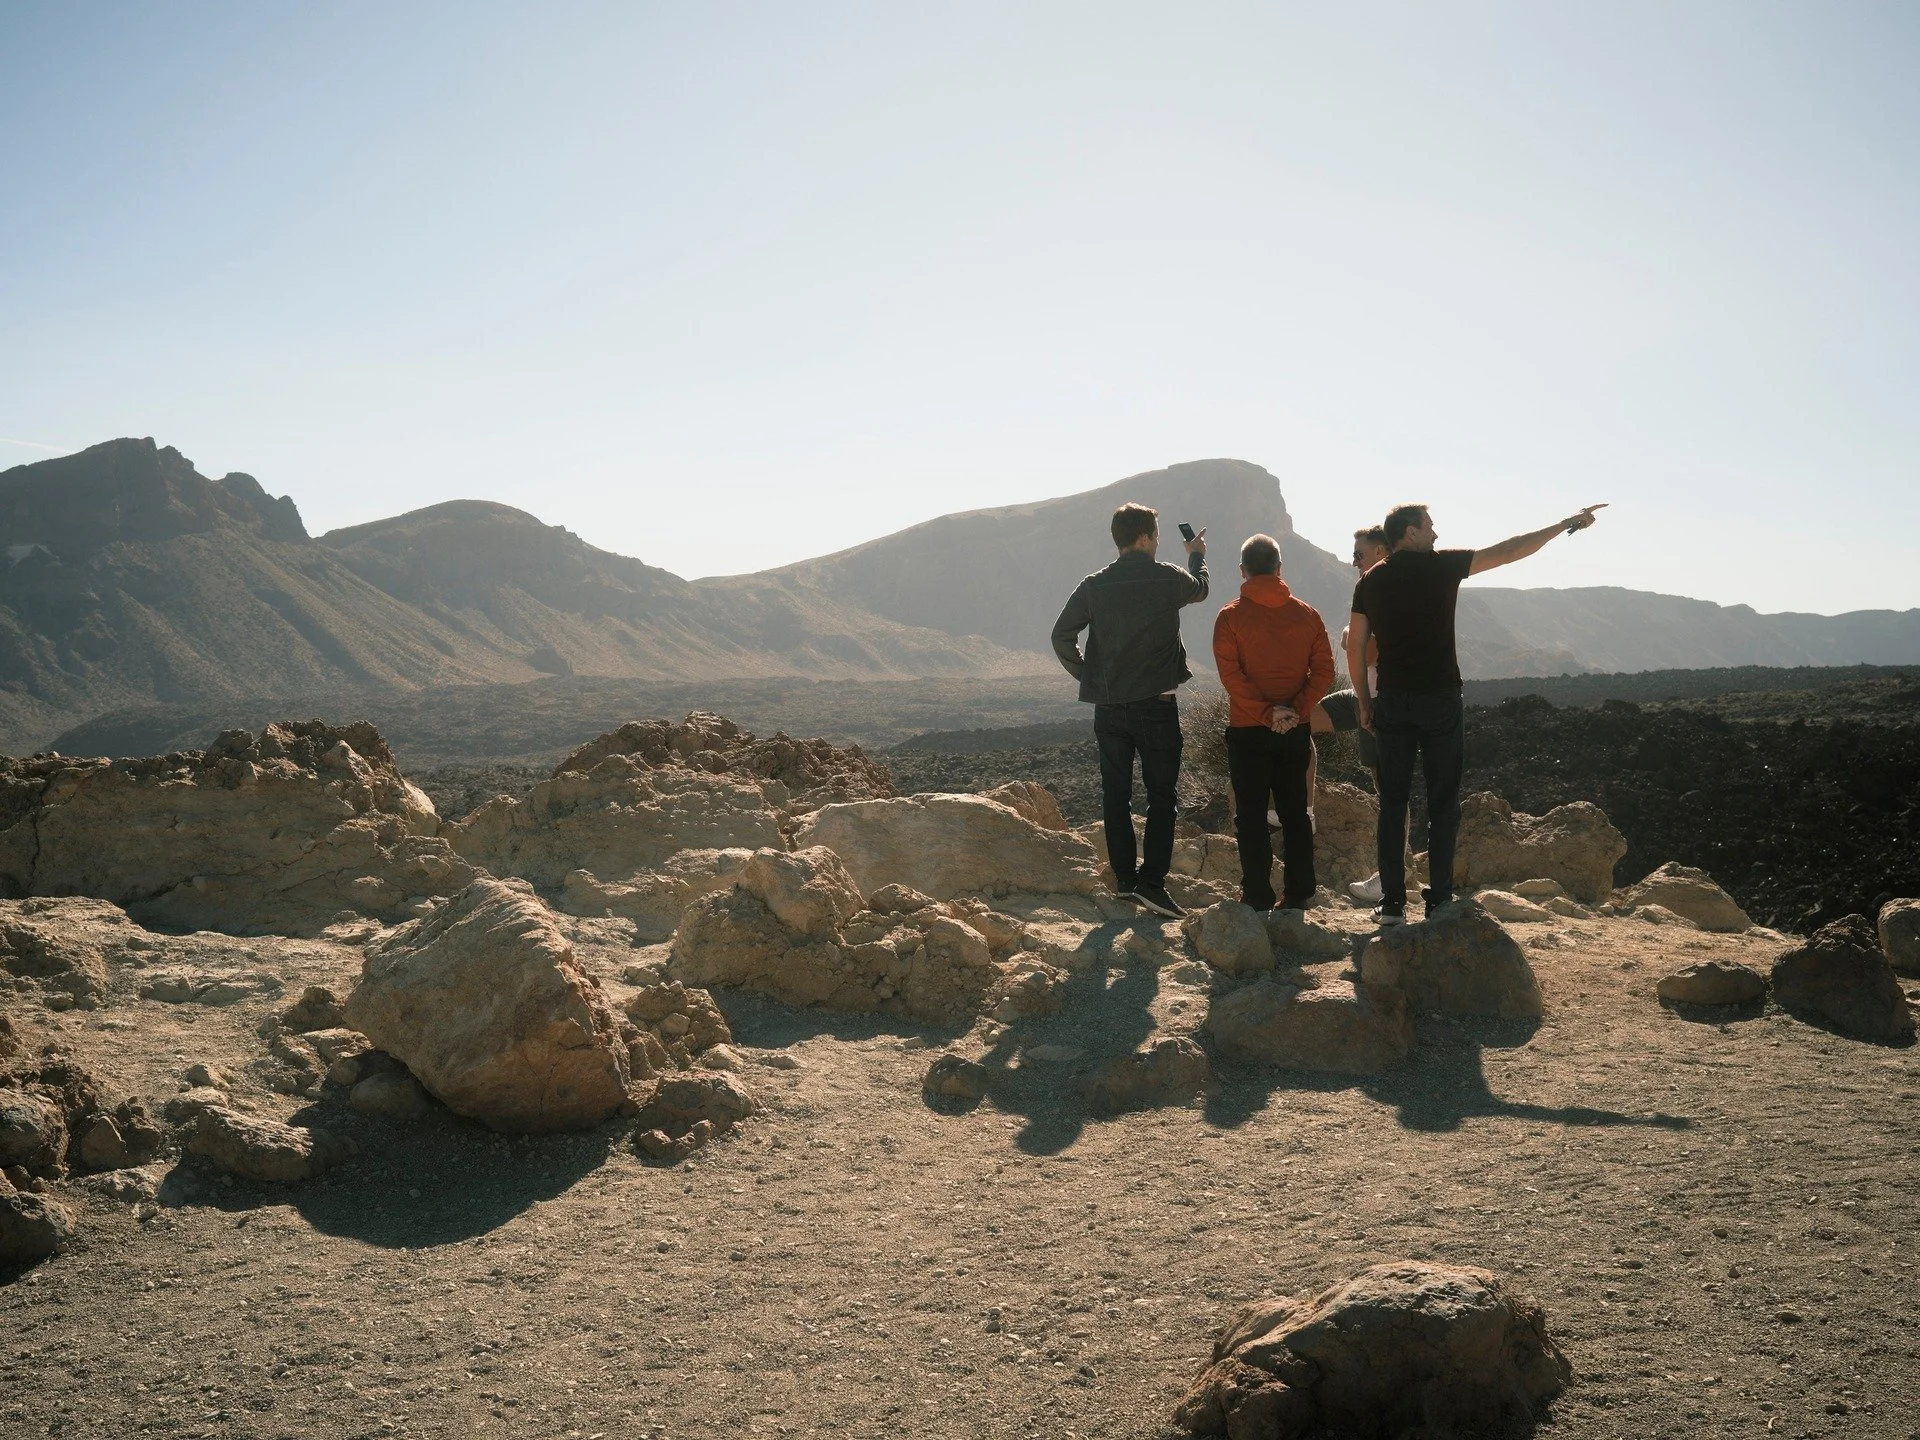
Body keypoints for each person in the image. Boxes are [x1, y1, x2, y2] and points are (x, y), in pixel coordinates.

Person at [1351, 501, 1604, 925]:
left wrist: (1363, 702)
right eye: (1429, 526)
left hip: (1393, 701)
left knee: (1393, 802)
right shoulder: (1441, 566)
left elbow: (1355, 649)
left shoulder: (1370, 581)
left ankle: (1393, 903)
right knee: (1443, 800)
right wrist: (1565, 524)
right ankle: (1439, 900)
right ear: (1410, 533)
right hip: (1440, 700)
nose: (1435, 531)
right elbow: (1509, 550)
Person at [1051, 502, 1209, 918]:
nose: (1157, 543)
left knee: (1115, 795)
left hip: (1109, 708)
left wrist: (1089, 676)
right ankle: (1152, 885)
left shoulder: (1094, 584)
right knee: (1161, 797)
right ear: (1144, 538)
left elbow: (1061, 636)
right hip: (1157, 707)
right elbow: (1201, 587)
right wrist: (1197, 553)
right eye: (1155, 536)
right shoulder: (1167, 577)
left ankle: (1125, 882)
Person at [1212, 534, 1333, 911]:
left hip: (1248, 729)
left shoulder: (1230, 617)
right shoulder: (1308, 615)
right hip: (1294, 730)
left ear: (1243, 571)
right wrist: (1295, 710)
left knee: (1250, 815)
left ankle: (1257, 895)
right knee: (1294, 812)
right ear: (1279, 569)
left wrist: (1266, 714)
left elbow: (1231, 677)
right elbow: (1325, 671)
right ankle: (1299, 893)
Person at [1312, 525, 1389, 901]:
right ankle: (1300, 809)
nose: (1353, 561)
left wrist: (1349, 636)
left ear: (1379, 551)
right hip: (1362, 693)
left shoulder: (1393, 589)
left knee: (1387, 789)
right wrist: (1350, 636)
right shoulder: (1372, 589)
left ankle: (1390, 876)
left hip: (1382, 702)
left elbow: (1369, 651)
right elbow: (1355, 642)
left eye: (1359, 554)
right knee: (1301, 720)